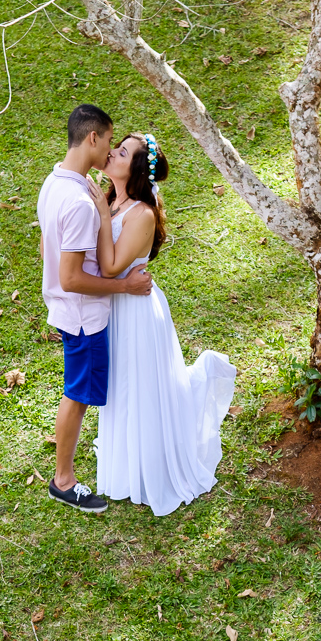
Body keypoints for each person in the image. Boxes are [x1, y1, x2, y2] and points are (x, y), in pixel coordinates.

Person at [87, 132, 236, 517]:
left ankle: (151, 465)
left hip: (136, 310)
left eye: (122, 152)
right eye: (115, 147)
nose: (111, 153)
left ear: (134, 169)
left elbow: (111, 266)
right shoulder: (110, 201)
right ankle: (126, 461)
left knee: (140, 384)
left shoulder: (142, 214)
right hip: (115, 306)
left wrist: (101, 216)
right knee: (120, 384)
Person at [37, 104, 152, 513]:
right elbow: (72, 278)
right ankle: (63, 481)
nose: (109, 150)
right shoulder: (84, 203)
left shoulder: (54, 183)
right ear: (92, 138)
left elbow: (48, 251)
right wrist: (123, 286)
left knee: (80, 390)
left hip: (68, 309)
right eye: (109, 141)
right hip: (83, 316)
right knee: (78, 394)